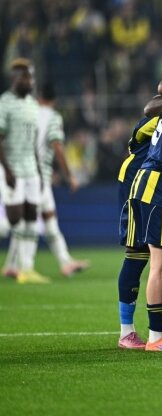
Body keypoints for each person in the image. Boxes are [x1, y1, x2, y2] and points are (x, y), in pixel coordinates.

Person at [116, 90, 162, 349]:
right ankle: (129, 331)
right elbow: (140, 130)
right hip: (141, 182)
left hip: (161, 184)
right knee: (139, 255)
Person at [0, 58, 47, 284]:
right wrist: (7, 170)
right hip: (12, 168)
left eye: (31, 77)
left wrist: (38, 170)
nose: (30, 81)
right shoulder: (5, 103)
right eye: (25, 77)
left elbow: (33, 141)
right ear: (15, 78)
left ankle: (26, 268)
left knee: (31, 216)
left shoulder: (32, 104)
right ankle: (18, 266)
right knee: (14, 217)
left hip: (30, 169)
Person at [35, 83, 89, 277]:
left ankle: (65, 262)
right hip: (34, 176)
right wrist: (69, 176)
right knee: (20, 221)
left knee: (48, 219)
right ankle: (19, 266)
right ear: (54, 100)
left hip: (30, 173)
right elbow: (57, 146)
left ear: (38, 97)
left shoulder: (30, 114)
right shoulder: (52, 117)